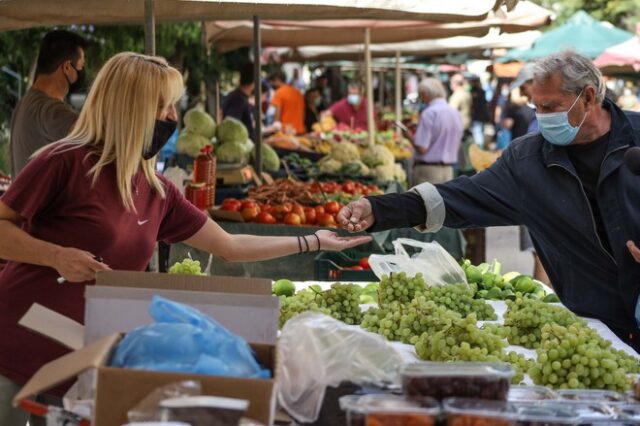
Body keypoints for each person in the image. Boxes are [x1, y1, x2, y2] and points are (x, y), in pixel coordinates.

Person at [0, 52, 371, 426]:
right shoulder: (63, 162)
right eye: (163, 106)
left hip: (85, 354)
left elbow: (230, 246)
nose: (172, 118)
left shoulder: (156, 190)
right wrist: (56, 256)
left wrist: (314, 241)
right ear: (130, 107)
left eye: (174, 107)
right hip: (17, 337)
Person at [337, 50, 640, 352]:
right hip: (598, 324)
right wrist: (378, 209)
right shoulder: (528, 161)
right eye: (537, 107)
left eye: (551, 107)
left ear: (588, 98)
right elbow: (460, 198)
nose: (543, 117)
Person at [9, 30, 88, 177]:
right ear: (66, 67)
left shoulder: (24, 104)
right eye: (81, 67)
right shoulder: (49, 109)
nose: (82, 72)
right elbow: (99, 139)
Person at [411, 78, 463, 186]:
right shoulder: (455, 113)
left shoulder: (429, 113)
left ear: (425, 93)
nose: (421, 98)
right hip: (448, 171)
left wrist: (409, 136)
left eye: (421, 95)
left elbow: (422, 148)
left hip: (427, 172)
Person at [222, 62, 257, 142]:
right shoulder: (238, 100)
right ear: (254, 82)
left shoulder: (240, 97)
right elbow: (230, 126)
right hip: (240, 148)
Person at [469, 76, 490, 147]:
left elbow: (480, 105)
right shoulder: (476, 91)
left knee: (478, 133)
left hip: (478, 116)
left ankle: (479, 148)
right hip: (479, 116)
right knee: (479, 132)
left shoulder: (480, 92)